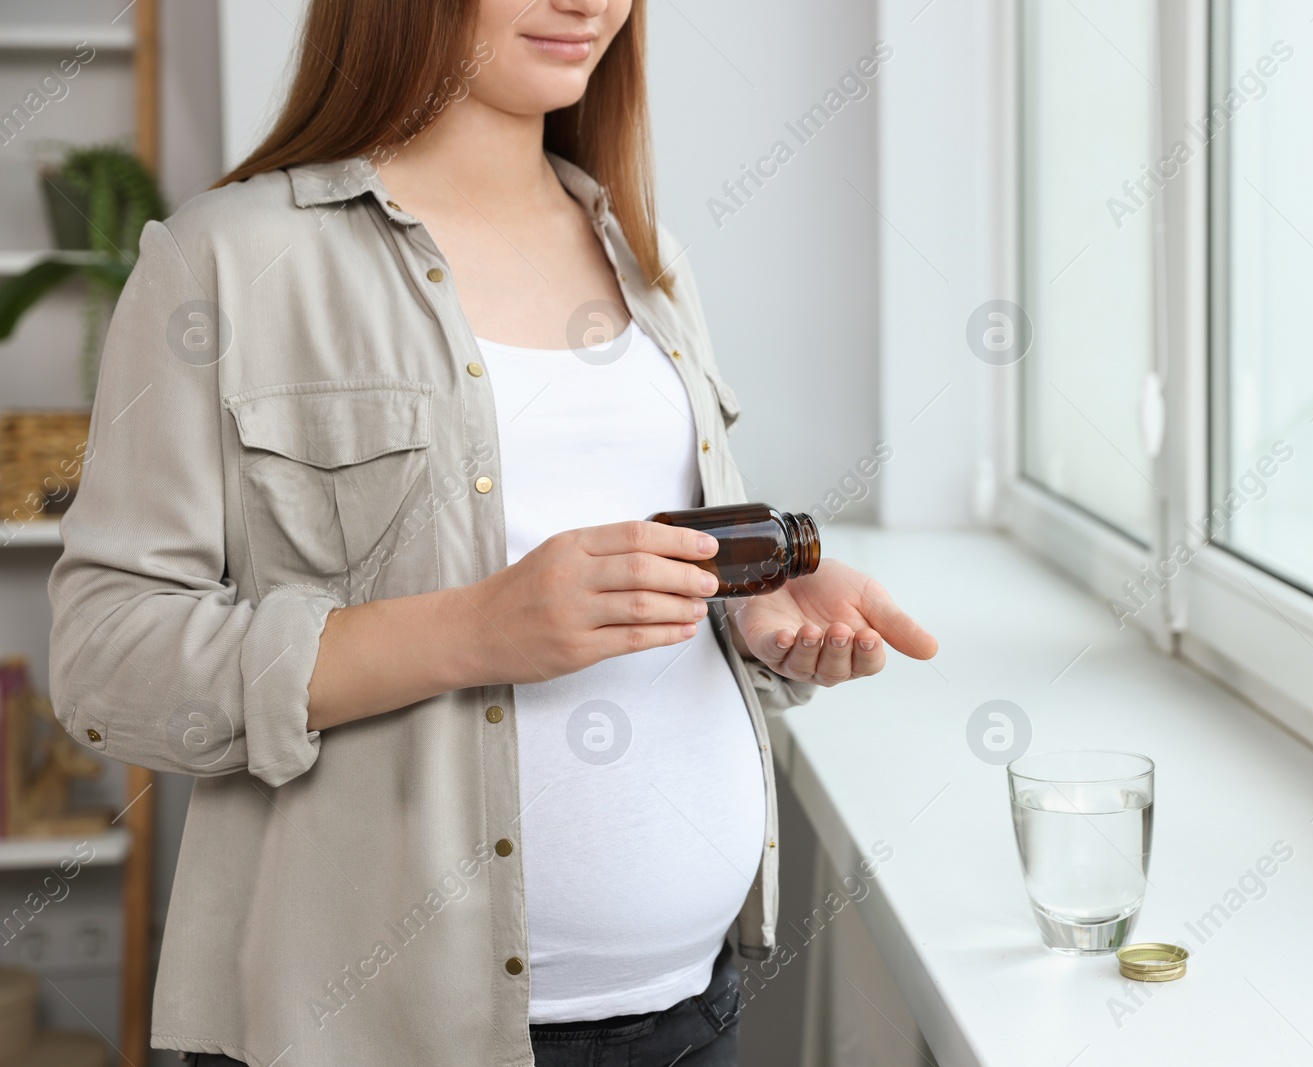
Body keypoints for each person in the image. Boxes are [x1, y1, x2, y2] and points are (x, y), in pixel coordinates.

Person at [47, 2, 937, 1065]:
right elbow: (108, 664)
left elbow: (645, 543)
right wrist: (475, 629)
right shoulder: (228, 258)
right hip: (376, 1035)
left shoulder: (641, 249)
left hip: (691, 1008)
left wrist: (752, 595)